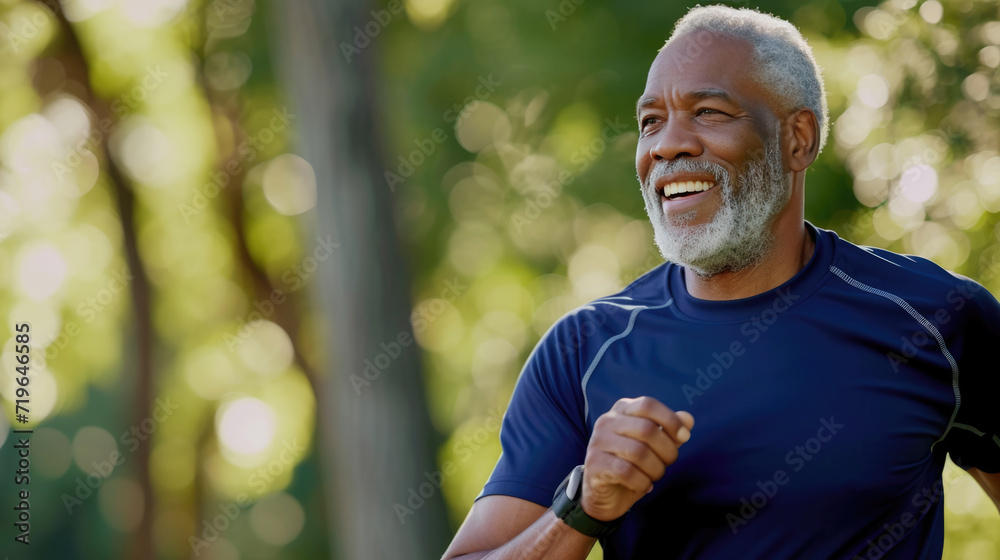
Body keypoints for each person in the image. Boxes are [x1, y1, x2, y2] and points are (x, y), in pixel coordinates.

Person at [442, 5, 1000, 559]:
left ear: (797, 138)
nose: (665, 145)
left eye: (707, 112)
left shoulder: (937, 317)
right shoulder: (582, 352)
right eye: (650, 122)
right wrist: (582, 506)